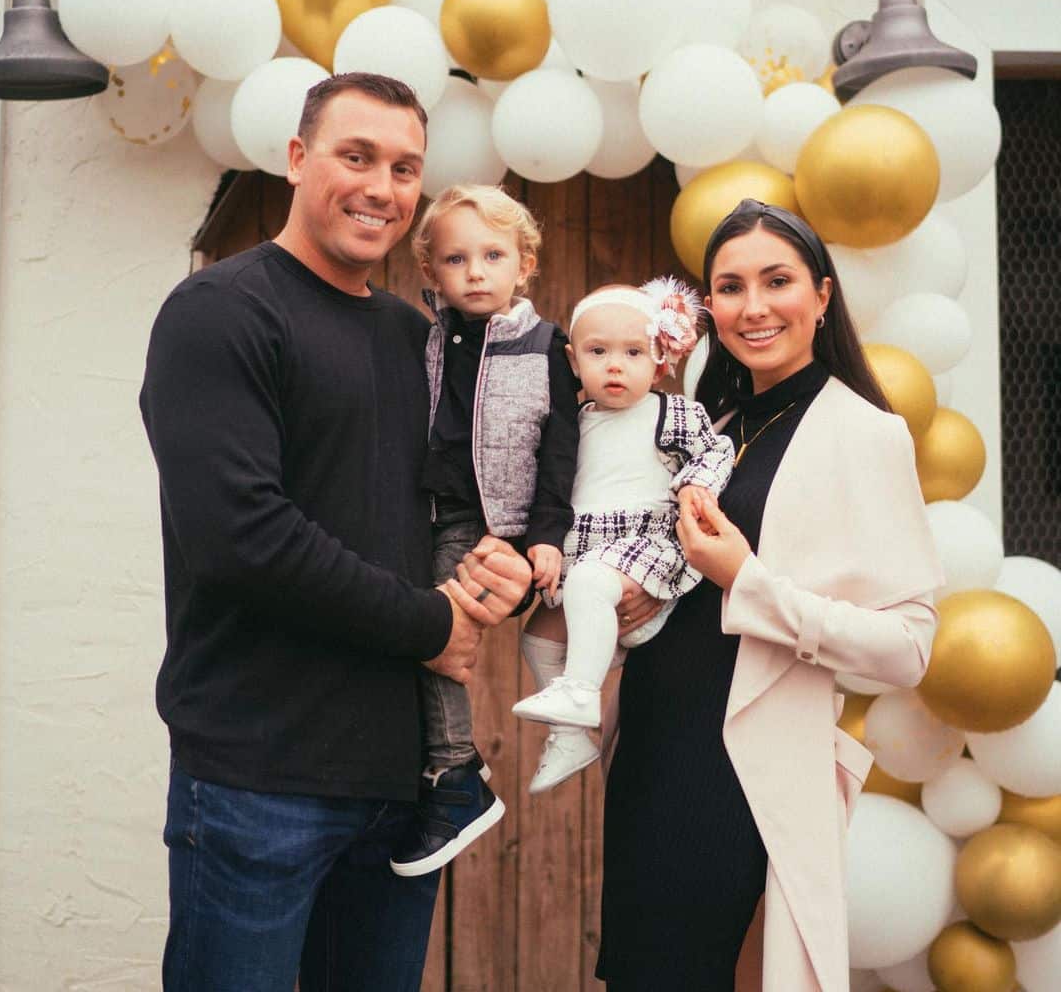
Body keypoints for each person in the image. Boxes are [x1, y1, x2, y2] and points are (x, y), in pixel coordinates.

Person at [139, 72, 531, 992]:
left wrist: (501, 569)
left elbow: (454, 501)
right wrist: (433, 625)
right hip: (257, 782)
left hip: (400, 793)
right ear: (297, 158)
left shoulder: (413, 337)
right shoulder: (220, 312)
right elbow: (243, 539)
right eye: (356, 157)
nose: (382, 187)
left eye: (405, 169)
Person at [597, 200, 944, 991]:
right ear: (708, 306)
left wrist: (747, 583)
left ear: (822, 297)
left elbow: (909, 648)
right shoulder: (708, 422)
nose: (753, 307)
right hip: (652, 748)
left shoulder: (865, 433)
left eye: (777, 281)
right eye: (730, 286)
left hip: (737, 767)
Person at [387, 183, 580, 877]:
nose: (475, 271)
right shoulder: (424, 341)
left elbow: (562, 450)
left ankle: (454, 771)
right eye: (456, 258)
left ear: (523, 265)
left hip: (493, 525)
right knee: (404, 631)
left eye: (493, 255)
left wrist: (544, 538)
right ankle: (438, 765)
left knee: (432, 634)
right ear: (430, 272)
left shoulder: (545, 344)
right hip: (426, 516)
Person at [512, 279, 734, 794]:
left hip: (645, 550)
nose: (615, 365)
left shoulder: (669, 413)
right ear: (573, 361)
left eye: (633, 352)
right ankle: (572, 734)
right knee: (537, 639)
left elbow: (714, 452)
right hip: (588, 556)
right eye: (598, 352)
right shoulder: (572, 424)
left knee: (590, 581)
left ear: (660, 361)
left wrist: (694, 485)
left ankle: (582, 689)